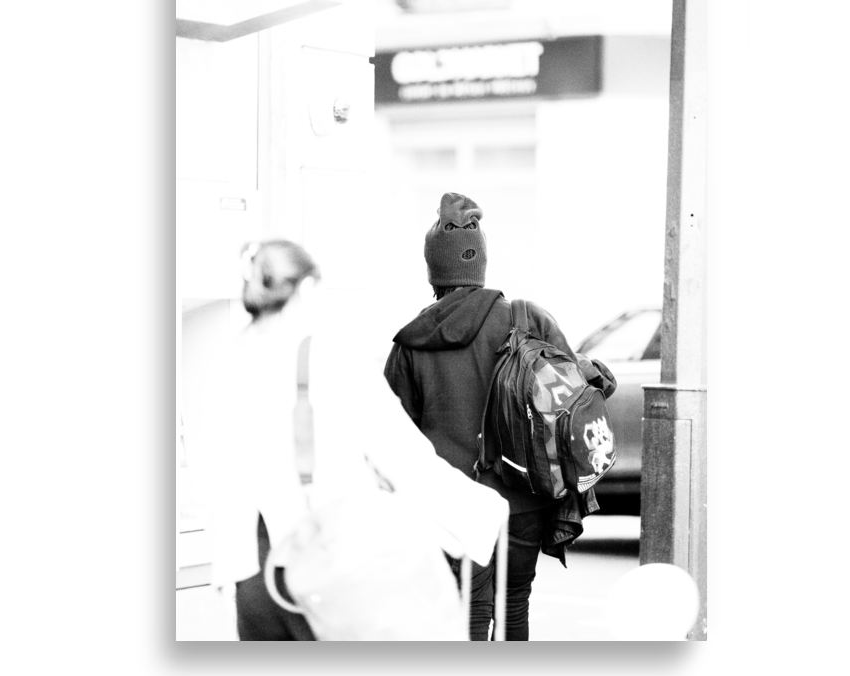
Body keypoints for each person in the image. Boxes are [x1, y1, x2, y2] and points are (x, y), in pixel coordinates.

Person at [201, 238, 508, 641]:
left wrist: (229, 577)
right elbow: (404, 460)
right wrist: (481, 510)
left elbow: (218, 482)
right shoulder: (331, 357)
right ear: (307, 288)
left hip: (254, 579)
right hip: (328, 567)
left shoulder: (227, 363)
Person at [384, 192, 607, 641]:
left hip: (451, 502)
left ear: (434, 272)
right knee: (514, 604)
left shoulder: (411, 343)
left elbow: (392, 435)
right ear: (480, 263)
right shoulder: (527, 320)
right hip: (523, 494)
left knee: (467, 612)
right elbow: (579, 392)